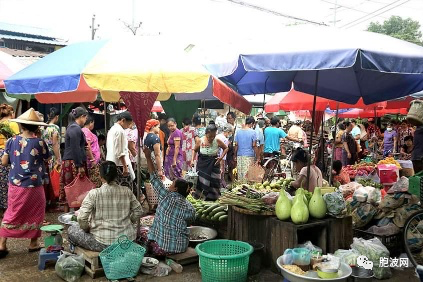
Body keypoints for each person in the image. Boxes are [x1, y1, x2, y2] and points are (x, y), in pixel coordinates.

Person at [0, 108, 50, 258]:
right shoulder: (40, 142)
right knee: (37, 212)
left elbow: (4, 162)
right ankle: (33, 242)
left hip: (16, 184)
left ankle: (2, 244)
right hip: (34, 185)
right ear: (37, 127)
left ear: (21, 126)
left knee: (12, 212)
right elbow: (47, 159)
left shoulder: (11, 141)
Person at [68, 161, 143, 252]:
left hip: (104, 243)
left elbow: (81, 218)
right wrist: (129, 221)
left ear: (101, 177)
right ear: (116, 175)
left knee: (72, 229)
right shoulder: (127, 191)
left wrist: (87, 228)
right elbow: (138, 211)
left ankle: (74, 253)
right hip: (126, 241)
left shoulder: (95, 193)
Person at [141, 148, 195, 256]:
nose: (170, 184)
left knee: (142, 232)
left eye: (172, 183)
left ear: (175, 189)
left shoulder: (165, 196)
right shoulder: (190, 208)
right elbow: (189, 222)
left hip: (163, 248)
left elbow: (154, 178)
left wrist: (148, 157)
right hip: (181, 247)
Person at [60, 107, 88, 213]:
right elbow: (75, 147)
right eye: (85, 118)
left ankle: (69, 215)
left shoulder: (72, 127)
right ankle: (75, 215)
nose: (86, 120)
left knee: (71, 188)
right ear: (82, 117)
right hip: (73, 162)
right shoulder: (75, 128)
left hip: (71, 161)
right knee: (76, 189)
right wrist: (79, 165)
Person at [192, 125, 228, 201]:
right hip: (202, 163)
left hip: (214, 163)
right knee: (202, 181)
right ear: (206, 134)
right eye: (209, 136)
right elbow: (194, 150)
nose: (211, 138)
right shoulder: (200, 140)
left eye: (213, 136)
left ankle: (214, 197)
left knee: (215, 180)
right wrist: (192, 160)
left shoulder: (217, 140)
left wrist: (221, 157)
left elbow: (226, 148)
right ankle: (202, 197)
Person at [106, 111, 134, 188]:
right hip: (119, 165)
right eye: (128, 124)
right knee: (124, 188)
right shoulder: (120, 131)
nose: (128, 126)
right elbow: (119, 151)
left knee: (114, 187)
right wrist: (125, 166)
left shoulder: (112, 129)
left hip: (111, 162)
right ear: (123, 120)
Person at [0, 104, 19, 212]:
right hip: (7, 154)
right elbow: (16, 140)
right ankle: (10, 209)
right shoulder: (13, 123)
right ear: (12, 113)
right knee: (10, 182)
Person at [234, 116, 259, 181]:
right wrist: (258, 156)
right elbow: (254, 146)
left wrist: (235, 155)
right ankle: (246, 189)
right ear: (251, 123)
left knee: (240, 175)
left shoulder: (238, 132)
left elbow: (236, 145)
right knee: (248, 176)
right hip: (249, 156)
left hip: (239, 156)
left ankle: (240, 188)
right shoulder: (253, 132)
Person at [82, 115, 102, 187]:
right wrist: (92, 159)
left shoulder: (85, 131)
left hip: (91, 162)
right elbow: (87, 146)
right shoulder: (86, 132)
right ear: (91, 122)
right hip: (91, 164)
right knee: (94, 183)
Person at [216, 124, 233, 188]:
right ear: (228, 132)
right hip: (220, 158)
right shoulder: (225, 139)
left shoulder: (218, 136)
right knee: (221, 172)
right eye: (231, 132)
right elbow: (222, 153)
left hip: (214, 157)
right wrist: (222, 164)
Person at [225, 112, 237, 181]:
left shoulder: (237, 128)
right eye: (227, 118)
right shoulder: (226, 127)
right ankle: (231, 179)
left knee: (233, 165)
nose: (228, 120)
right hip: (228, 148)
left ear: (234, 119)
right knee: (229, 164)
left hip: (234, 148)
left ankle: (233, 179)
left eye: (229, 118)